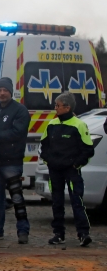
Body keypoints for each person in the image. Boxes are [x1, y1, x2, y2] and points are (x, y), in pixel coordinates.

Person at [0, 77, 31, 243]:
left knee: (17, 198)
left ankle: (23, 231)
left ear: (10, 91)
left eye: (5, 90)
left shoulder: (20, 110)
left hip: (12, 161)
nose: (2, 93)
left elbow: (17, 133)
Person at [41, 92, 94, 247]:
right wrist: (49, 161)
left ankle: (83, 233)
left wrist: (75, 164)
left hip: (71, 171)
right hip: (55, 171)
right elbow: (43, 147)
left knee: (77, 201)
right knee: (57, 202)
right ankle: (58, 233)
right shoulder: (51, 125)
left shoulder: (79, 125)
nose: (55, 108)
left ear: (67, 107)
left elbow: (88, 149)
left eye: (57, 106)